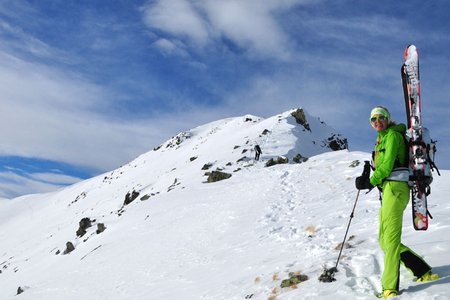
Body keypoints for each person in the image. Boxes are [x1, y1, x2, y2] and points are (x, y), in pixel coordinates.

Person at [355, 106, 438, 299]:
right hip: (388, 190)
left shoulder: (392, 136)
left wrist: (370, 181)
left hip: (395, 188)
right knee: (384, 241)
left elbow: (388, 165)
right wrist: (369, 176)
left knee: (390, 241)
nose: (377, 121)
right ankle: (422, 270)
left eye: (381, 117)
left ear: (387, 119)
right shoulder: (382, 138)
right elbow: (381, 166)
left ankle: (389, 288)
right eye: (373, 119)